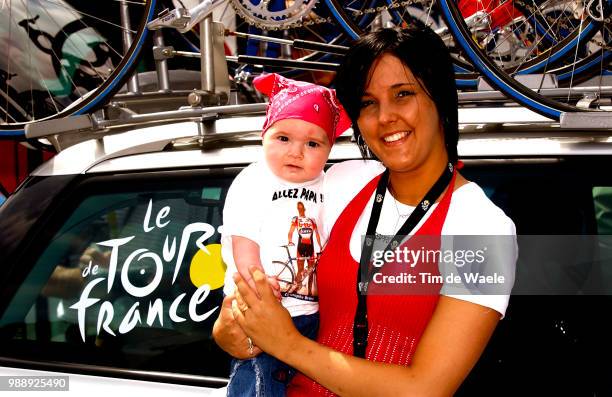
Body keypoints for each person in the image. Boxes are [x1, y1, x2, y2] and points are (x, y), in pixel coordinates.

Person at [214, 23, 517, 396]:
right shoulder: (343, 183)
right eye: (368, 103)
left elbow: (425, 389)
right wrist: (235, 326)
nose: (385, 117)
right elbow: (247, 309)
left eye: (403, 94)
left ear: (440, 98)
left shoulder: (484, 228)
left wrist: (287, 343)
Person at [220, 72, 350, 396]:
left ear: (329, 148)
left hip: (312, 317)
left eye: (312, 143)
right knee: (259, 383)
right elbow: (243, 240)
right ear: (263, 135)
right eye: (283, 138)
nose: (296, 152)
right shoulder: (255, 180)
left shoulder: (328, 184)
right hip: (261, 312)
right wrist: (257, 281)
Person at [287, 201, 322, 294]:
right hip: (301, 247)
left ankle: (309, 292)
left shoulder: (311, 220)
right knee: (300, 269)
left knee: (311, 272)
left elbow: (317, 234)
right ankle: (296, 289)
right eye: (299, 208)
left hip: (311, 247)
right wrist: (290, 240)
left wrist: (320, 246)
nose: (300, 210)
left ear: (304, 209)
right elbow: (291, 231)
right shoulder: (296, 219)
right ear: (297, 209)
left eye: (301, 208)